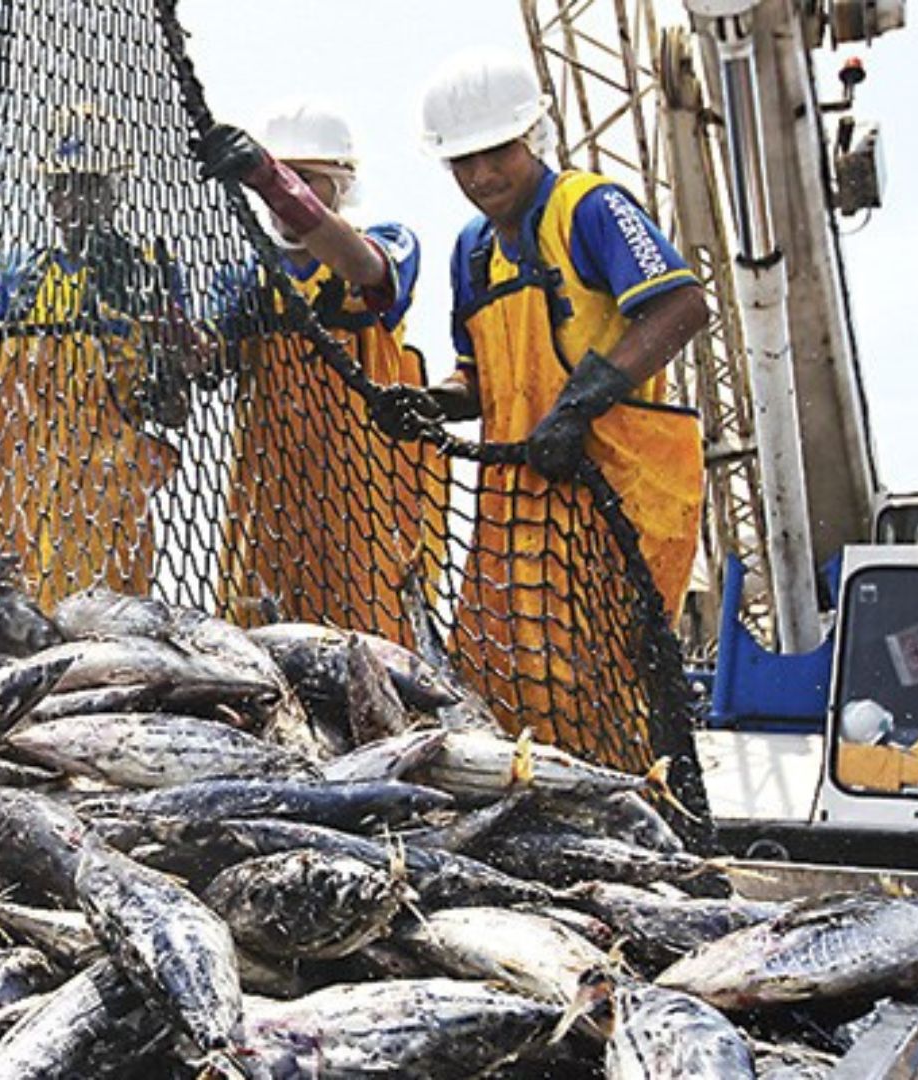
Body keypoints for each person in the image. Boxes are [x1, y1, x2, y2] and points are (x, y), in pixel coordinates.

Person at [378, 49, 709, 752]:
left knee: (600, 682)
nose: (482, 176)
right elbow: (479, 377)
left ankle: (630, 832)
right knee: (498, 679)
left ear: (534, 137)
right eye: (462, 162)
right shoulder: (472, 250)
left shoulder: (590, 207)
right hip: (518, 504)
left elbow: (681, 304)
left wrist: (582, 402)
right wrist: (432, 404)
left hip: (614, 499)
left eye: (496, 152)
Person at [198, 100, 446, 637]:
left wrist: (271, 181)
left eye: (304, 179)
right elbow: (200, 361)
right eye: (285, 179)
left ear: (341, 183)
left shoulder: (388, 242)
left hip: (370, 501)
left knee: (375, 640)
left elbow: (364, 267)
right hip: (271, 504)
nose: (282, 198)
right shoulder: (247, 276)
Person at [0, 103, 204, 609]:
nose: (72, 201)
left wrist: (166, 361)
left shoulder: (144, 274)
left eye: (87, 186)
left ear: (112, 192)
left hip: (105, 504)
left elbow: (175, 412)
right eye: (61, 186)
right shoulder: (15, 275)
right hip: (15, 492)